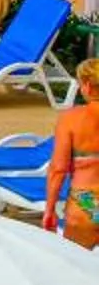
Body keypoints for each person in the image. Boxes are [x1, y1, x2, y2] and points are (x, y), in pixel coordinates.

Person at [42, 59, 99, 247]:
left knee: (79, 266)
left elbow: (58, 169)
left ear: (88, 87)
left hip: (87, 201)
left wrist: (49, 210)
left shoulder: (72, 119)